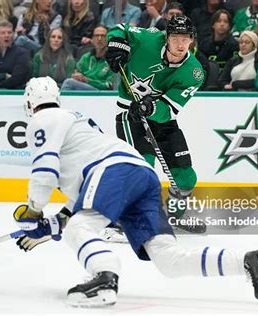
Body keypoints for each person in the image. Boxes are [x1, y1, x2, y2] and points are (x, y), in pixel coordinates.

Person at [13, 76, 258, 307]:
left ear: (28, 104)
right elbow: (81, 194)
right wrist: (55, 223)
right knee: (168, 259)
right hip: (139, 174)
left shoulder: (42, 119)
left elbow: (44, 172)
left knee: (79, 228)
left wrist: (33, 211)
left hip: (112, 171)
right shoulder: (72, 122)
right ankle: (249, 261)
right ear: (58, 98)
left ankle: (105, 277)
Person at [105, 15, 205, 233]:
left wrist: (151, 108)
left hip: (163, 120)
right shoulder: (148, 39)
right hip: (129, 115)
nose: (180, 44)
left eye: (186, 38)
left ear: (192, 40)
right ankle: (124, 219)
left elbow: (169, 109)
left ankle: (176, 216)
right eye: (176, 37)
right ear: (166, 37)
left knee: (186, 177)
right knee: (143, 168)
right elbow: (119, 28)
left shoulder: (194, 72)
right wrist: (116, 44)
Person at [60, 25, 114, 91]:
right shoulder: (86, 57)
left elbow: (110, 85)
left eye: (103, 36)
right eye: (96, 36)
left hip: (103, 94)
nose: (99, 39)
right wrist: (76, 76)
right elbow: (76, 73)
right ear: (92, 39)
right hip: (83, 90)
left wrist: (88, 81)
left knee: (69, 83)